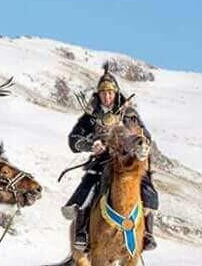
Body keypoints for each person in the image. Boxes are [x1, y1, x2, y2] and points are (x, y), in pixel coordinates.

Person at [64, 64, 158, 251]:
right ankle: (82, 231)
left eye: (110, 93)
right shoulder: (90, 117)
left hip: (128, 161)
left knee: (146, 185)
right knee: (89, 187)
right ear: (98, 95)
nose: (107, 96)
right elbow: (73, 139)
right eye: (103, 93)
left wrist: (141, 145)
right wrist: (91, 145)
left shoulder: (129, 114)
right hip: (102, 162)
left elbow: (145, 135)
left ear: (116, 94)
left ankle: (147, 233)